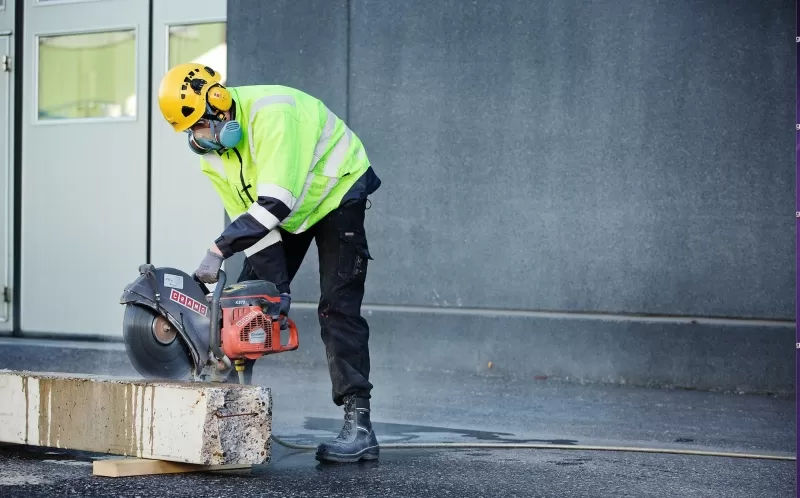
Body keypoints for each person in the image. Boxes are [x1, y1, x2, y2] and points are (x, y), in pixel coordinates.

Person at [156, 63, 381, 463]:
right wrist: (274, 293)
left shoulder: (273, 113)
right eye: (192, 134)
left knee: (337, 307)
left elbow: (275, 203)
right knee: (243, 303)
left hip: (336, 191)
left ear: (220, 104)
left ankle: (360, 427)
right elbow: (256, 224)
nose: (200, 140)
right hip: (284, 210)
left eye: (201, 127)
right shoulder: (213, 156)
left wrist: (217, 249)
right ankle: (230, 416)